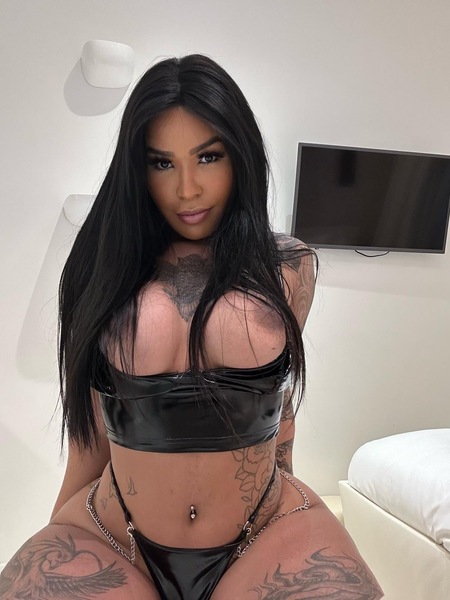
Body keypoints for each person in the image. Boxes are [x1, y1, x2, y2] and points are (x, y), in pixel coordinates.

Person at [0, 54, 382, 600]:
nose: (186, 189)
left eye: (208, 156)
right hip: (116, 538)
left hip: (264, 533)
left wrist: (289, 498)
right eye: (162, 163)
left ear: (241, 155)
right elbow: (90, 436)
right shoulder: (100, 268)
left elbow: (279, 409)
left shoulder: (289, 267)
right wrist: (57, 534)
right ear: (137, 169)